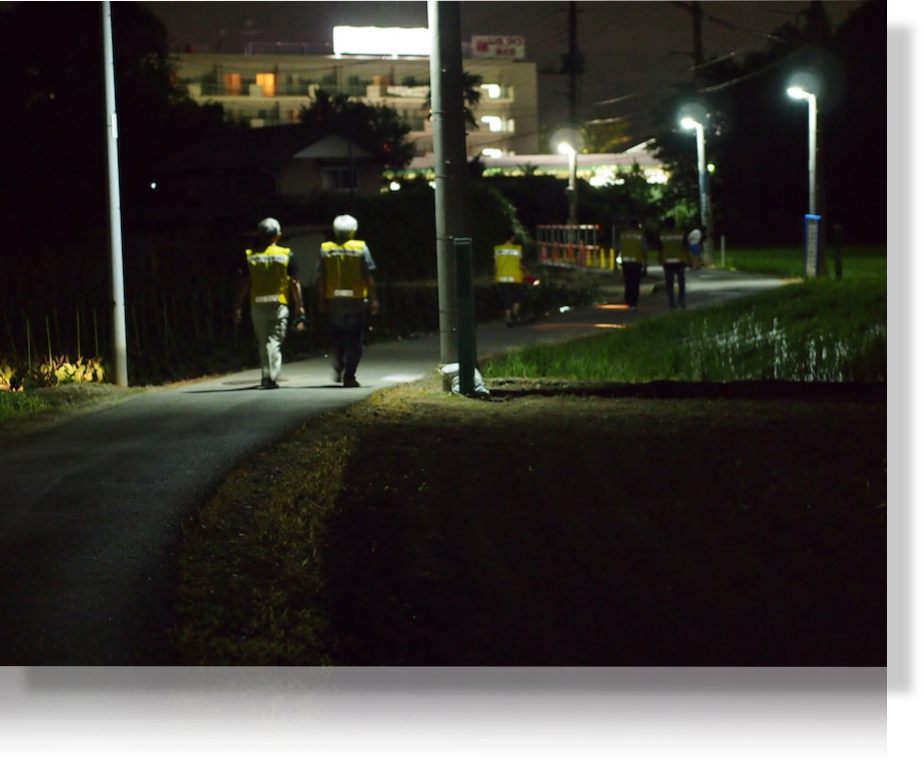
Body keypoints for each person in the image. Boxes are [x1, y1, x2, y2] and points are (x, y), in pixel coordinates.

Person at [234, 217, 306, 389]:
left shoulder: (251, 257)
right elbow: (294, 282)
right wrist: (299, 305)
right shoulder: (286, 255)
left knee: (263, 340)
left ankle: (266, 374)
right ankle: (270, 376)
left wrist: (237, 306)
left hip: (257, 305)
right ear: (277, 235)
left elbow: (244, 283)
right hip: (278, 304)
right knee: (274, 339)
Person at [316, 214, 379, 387]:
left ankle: (338, 362)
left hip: (334, 301)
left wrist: (321, 300)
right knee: (355, 340)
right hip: (356, 301)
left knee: (338, 336)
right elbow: (368, 276)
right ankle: (349, 375)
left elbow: (322, 278)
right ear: (353, 230)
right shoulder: (360, 248)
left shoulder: (326, 248)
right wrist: (374, 299)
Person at [493, 230, 525, 326]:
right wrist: (526, 271)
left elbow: (495, 265)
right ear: (512, 238)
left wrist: (494, 275)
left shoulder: (497, 249)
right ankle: (514, 314)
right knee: (518, 297)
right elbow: (520, 264)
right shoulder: (517, 249)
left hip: (501, 278)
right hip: (515, 278)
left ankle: (508, 318)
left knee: (506, 299)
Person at [659, 216, 689, 309]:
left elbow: (660, 249)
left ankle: (671, 302)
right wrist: (689, 259)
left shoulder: (662, 235)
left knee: (669, 284)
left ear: (666, 225)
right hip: (680, 262)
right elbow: (685, 248)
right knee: (681, 283)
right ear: (675, 224)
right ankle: (681, 300)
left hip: (667, 262)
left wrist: (660, 260)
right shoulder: (681, 234)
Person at [617, 217, 648, 309]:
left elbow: (617, 247)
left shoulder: (623, 235)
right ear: (636, 225)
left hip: (626, 262)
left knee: (628, 281)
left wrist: (616, 261)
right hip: (636, 262)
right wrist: (645, 264)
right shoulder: (640, 235)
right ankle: (633, 301)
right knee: (635, 282)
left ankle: (628, 299)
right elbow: (644, 251)